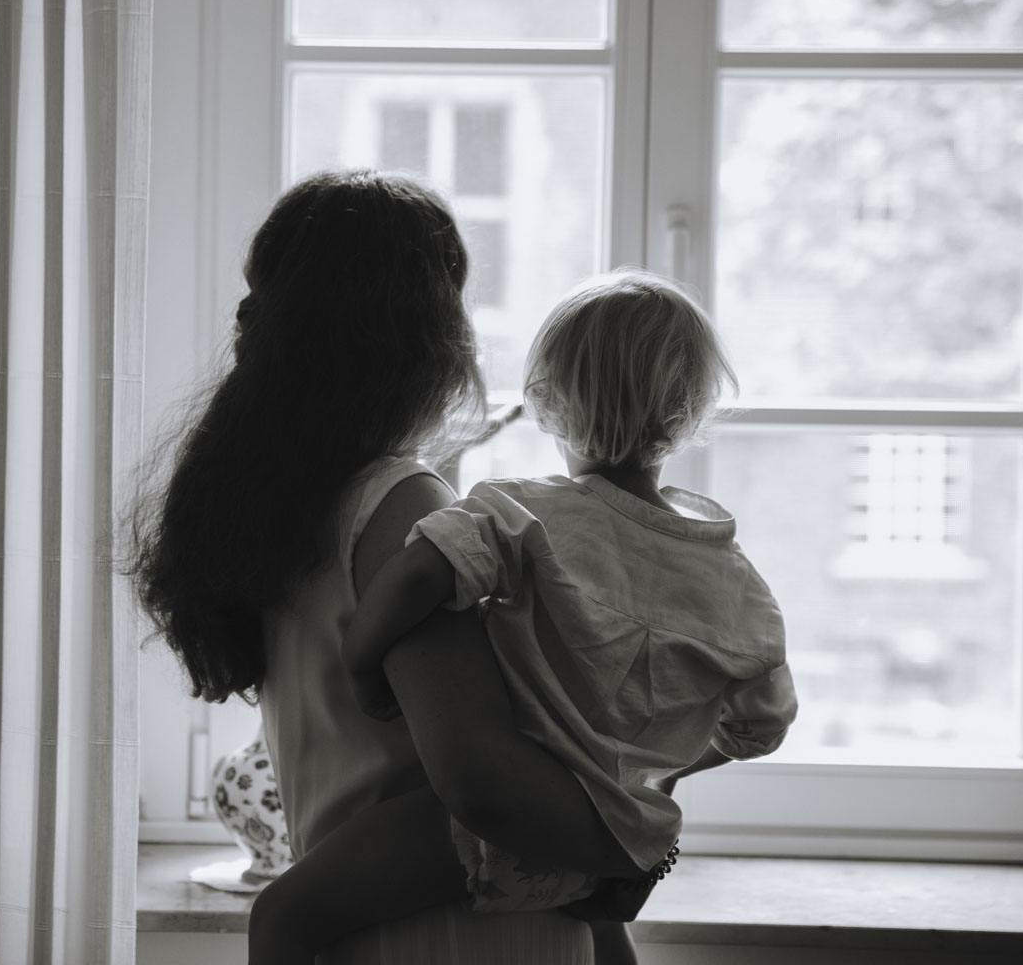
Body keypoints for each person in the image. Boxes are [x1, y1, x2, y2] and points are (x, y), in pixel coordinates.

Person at [130, 170, 645, 963]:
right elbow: (480, 787)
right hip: (457, 937)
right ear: (426, 331)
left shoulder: (295, 501)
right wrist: (636, 844)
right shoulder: (400, 506)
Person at [245, 269, 799, 963]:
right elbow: (762, 726)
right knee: (603, 938)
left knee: (285, 916)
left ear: (545, 400)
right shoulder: (739, 585)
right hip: (618, 838)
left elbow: (419, 572)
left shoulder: (521, 515)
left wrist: (361, 662)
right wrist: (660, 771)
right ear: (693, 412)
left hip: (506, 820)